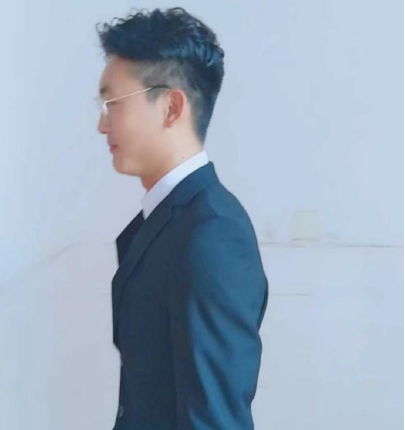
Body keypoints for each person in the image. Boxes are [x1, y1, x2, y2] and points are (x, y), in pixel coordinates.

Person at [95, 7, 269, 429]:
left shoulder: (212, 234)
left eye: (112, 103)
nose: (102, 124)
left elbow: (214, 420)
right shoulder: (173, 220)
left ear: (171, 107)